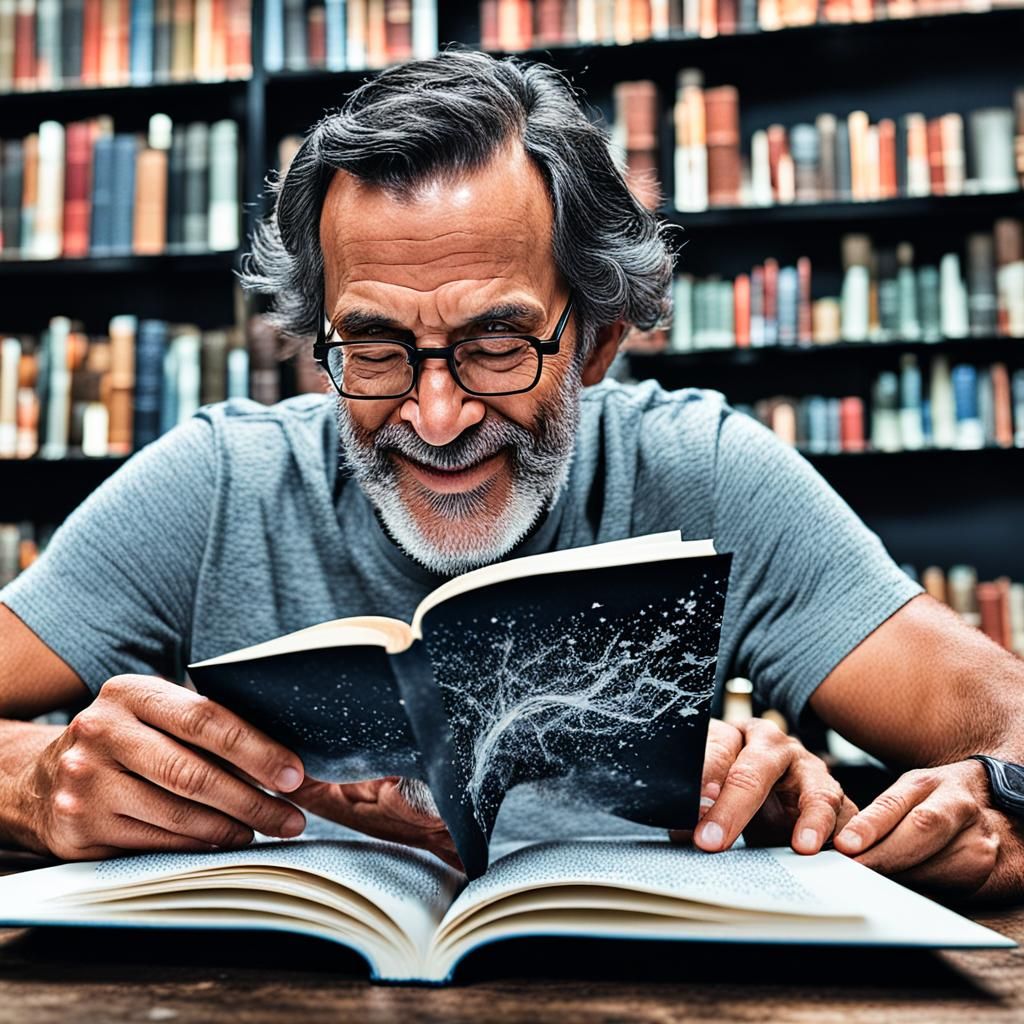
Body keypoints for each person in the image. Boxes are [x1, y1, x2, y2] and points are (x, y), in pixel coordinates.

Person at [0, 52, 1021, 898]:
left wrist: (995, 804)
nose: (436, 417)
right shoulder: (214, 484)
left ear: (598, 340)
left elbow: (1004, 722)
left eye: (497, 346)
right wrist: (33, 784)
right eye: (376, 349)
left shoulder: (704, 473)